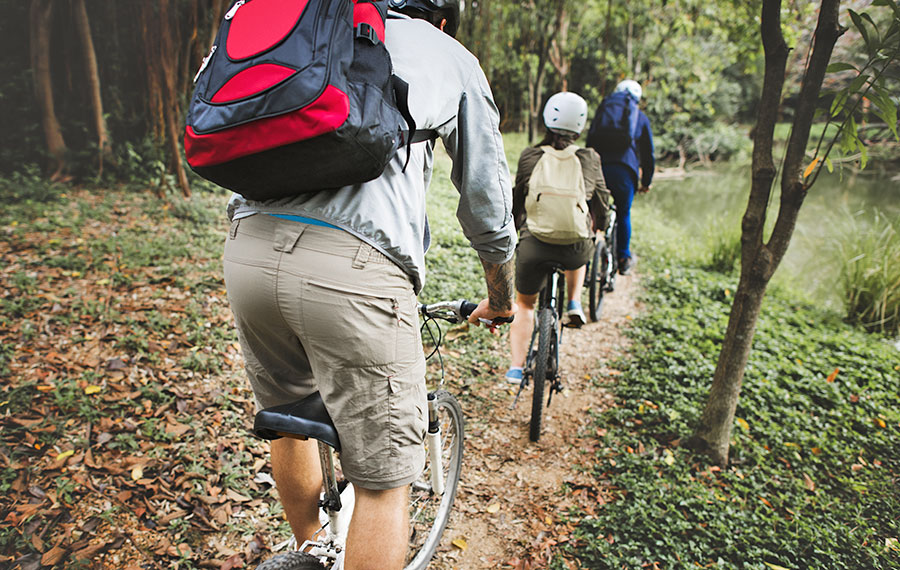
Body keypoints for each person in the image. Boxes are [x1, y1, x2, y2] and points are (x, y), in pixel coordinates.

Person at [222, 1, 517, 568]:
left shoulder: (306, 31)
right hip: (355, 271)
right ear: (443, 18)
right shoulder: (449, 56)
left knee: (288, 416)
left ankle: (310, 546)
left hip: (247, 251)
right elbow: (486, 202)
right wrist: (501, 297)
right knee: (383, 481)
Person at [505, 91, 610, 384]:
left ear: (547, 120)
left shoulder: (531, 155)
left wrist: (515, 231)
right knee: (581, 241)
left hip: (534, 245)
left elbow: (518, 199)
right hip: (575, 250)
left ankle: (516, 367)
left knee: (525, 305)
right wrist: (599, 226)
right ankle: (575, 302)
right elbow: (601, 200)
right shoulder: (590, 158)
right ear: (580, 126)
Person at [595, 79, 655, 275]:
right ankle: (623, 258)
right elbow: (648, 155)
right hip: (625, 171)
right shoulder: (641, 117)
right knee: (623, 213)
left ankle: (586, 257)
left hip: (599, 167)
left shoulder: (604, 111)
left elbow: (590, 140)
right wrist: (645, 182)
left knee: (593, 212)